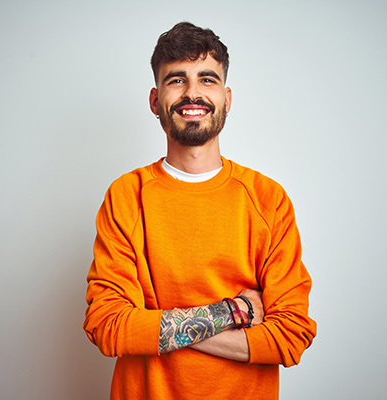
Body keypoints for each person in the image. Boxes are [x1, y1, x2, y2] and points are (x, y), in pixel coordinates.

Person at [83, 22, 316, 400]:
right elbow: (107, 326)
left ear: (226, 98)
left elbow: (291, 337)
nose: (193, 92)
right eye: (177, 80)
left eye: (207, 79)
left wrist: (153, 328)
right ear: (155, 101)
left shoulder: (267, 199)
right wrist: (232, 312)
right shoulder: (127, 195)